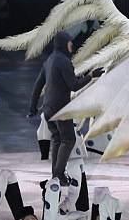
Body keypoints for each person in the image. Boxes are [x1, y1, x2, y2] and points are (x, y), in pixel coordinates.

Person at [28, 31, 103, 185]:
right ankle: (58, 174)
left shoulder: (49, 60)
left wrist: (32, 107)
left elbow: (37, 85)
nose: (72, 45)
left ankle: (56, 176)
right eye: (70, 42)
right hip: (60, 109)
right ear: (64, 43)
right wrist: (91, 76)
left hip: (48, 109)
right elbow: (74, 86)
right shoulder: (63, 61)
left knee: (57, 139)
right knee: (69, 139)